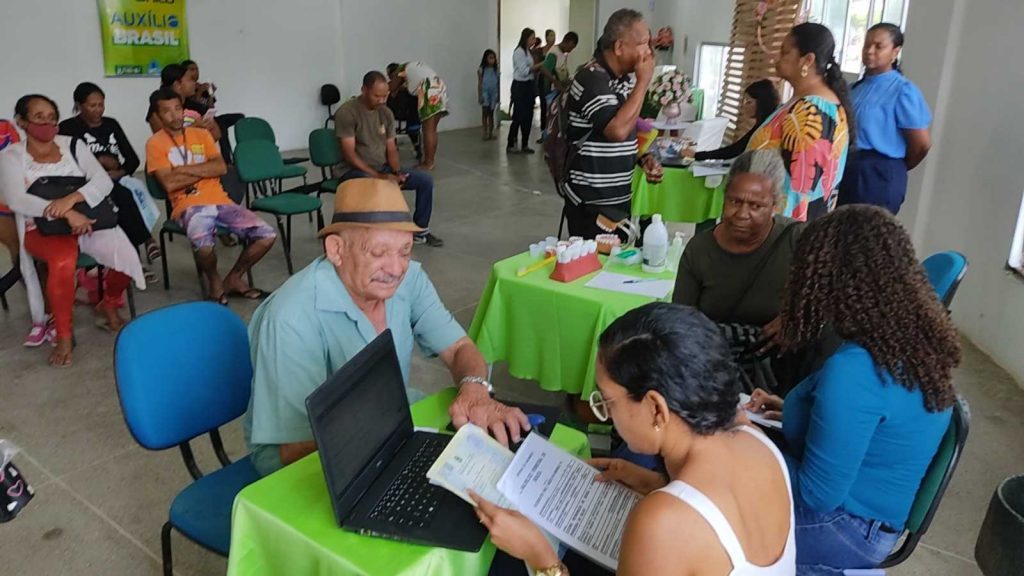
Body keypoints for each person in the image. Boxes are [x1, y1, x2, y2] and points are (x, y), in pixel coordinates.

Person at [470, 303, 795, 576]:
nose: (606, 415)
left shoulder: (662, 522)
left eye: (608, 401)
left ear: (656, 408)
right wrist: (653, 482)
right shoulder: (754, 437)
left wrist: (540, 558)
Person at [244, 178, 531, 476]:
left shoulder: (411, 279)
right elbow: (291, 448)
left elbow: (459, 347)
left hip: (386, 417)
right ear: (336, 250)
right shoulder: (292, 316)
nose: (396, 269)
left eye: (405, 252)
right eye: (379, 253)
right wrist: (400, 444)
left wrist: (475, 390)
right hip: (304, 454)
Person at [745, 205, 961, 574]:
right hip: (872, 522)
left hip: (843, 529)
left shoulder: (854, 371)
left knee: (704, 507)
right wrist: (795, 410)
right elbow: (876, 423)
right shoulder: (912, 339)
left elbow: (817, 495)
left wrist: (746, 440)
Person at [0, 94, 145, 366]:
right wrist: (65, 212)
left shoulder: (72, 145)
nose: (47, 123)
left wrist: (72, 200)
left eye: (52, 117)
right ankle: (64, 335)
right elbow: (16, 199)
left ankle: (109, 302)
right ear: (21, 121)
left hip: (87, 220)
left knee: (126, 256)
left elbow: (102, 181)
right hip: (41, 227)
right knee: (64, 262)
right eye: (38, 117)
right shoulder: (11, 156)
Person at [674, 150, 802, 391]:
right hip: (713, 370)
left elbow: (837, 296)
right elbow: (682, 321)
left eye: (756, 206)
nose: (742, 214)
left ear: (776, 205)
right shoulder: (700, 250)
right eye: (734, 201)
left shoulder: (797, 239)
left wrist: (795, 318)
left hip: (780, 374)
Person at [145, 88, 276, 304]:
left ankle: (234, 278)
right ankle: (215, 282)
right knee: (204, 247)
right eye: (167, 111)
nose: (175, 115)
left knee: (266, 235)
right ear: (157, 116)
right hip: (188, 205)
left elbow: (221, 167)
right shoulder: (155, 143)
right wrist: (204, 169)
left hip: (220, 200)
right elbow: (168, 184)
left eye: (178, 108)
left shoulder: (201, 134)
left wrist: (184, 170)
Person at [560, 9, 655, 238]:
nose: (648, 51)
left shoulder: (620, 80)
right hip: (592, 204)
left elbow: (626, 126)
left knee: (615, 270)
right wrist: (643, 82)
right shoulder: (591, 78)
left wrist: (642, 158)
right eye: (643, 43)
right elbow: (617, 131)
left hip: (616, 199)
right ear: (619, 47)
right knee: (591, 270)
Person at [747, 23, 853, 222]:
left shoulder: (812, 111)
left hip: (782, 233)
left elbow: (798, 192)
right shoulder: (802, 101)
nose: (775, 58)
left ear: (807, 60)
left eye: (784, 52)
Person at [59, 82, 162, 273]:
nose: (98, 110)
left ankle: (136, 254)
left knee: (133, 191)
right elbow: (67, 163)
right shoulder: (68, 128)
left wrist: (120, 171)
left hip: (116, 177)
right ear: (79, 105)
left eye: (101, 104)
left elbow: (132, 159)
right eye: (92, 105)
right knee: (122, 197)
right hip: (87, 182)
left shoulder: (111, 124)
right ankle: (143, 245)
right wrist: (99, 161)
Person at [333, 71, 443, 248]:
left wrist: (396, 172)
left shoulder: (385, 113)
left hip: (380, 168)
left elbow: (391, 148)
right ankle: (371, 235)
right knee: (379, 184)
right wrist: (380, 177)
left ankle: (420, 230)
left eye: (385, 96)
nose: (382, 100)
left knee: (425, 181)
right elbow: (350, 155)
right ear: (364, 90)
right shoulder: (347, 112)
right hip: (352, 171)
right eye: (377, 96)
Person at [837, 23, 931, 214]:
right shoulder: (854, 89)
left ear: (895, 52)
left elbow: (921, 145)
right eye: (867, 45)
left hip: (879, 174)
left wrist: (893, 167)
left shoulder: (902, 91)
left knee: (867, 236)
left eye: (879, 46)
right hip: (848, 169)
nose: (870, 51)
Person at [0, 118, 51, 348]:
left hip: (22, 198)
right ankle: (38, 310)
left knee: (39, 254)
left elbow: (22, 161)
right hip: (2, 208)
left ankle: (49, 310)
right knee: (20, 254)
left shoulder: (5, 128)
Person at [688, 80, 780, 162]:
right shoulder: (765, 122)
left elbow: (734, 150)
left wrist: (697, 155)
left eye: (748, 101)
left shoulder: (766, 127)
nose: (744, 105)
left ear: (762, 102)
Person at [387, 62, 448, 170]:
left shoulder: (400, 70)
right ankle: (431, 161)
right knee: (432, 130)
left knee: (428, 131)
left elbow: (391, 87)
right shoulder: (413, 67)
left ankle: (428, 163)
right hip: (439, 86)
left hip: (428, 90)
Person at [147, 63, 222, 142]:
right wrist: (195, 127)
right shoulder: (158, 107)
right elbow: (164, 139)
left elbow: (217, 134)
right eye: (190, 80)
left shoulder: (196, 107)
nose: (194, 83)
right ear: (177, 85)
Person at [508, 28, 546, 154]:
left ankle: (525, 144)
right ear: (525, 38)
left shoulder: (528, 52)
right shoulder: (518, 52)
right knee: (518, 116)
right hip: (520, 86)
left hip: (529, 86)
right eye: (531, 38)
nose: (533, 40)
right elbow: (524, 71)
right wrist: (540, 65)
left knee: (528, 117)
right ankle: (511, 144)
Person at [538, 31, 580, 140]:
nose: (571, 50)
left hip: (559, 89)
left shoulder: (563, 54)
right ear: (567, 42)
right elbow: (544, 69)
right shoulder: (554, 53)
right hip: (551, 90)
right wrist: (556, 82)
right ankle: (547, 139)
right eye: (571, 47)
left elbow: (562, 70)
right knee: (551, 116)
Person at [533, 29, 557, 143]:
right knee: (543, 106)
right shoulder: (540, 51)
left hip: (553, 81)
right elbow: (535, 66)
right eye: (551, 35)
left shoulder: (557, 51)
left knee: (552, 107)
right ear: (546, 37)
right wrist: (546, 63)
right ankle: (543, 132)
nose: (553, 38)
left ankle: (552, 132)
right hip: (543, 80)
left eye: (554, 35)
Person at [478, 50, 500, 141]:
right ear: (485, 59)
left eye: (493, 58)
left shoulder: (496, 69)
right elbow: (479, 83)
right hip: (485, 92)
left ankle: (491, 132)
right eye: (490, 58)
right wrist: (480, 95)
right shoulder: (481, 69)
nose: (492, 60)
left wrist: (498, 94)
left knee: (491, 113)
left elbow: (498, 83)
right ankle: (484, 132)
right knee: (485, 112)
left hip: (493, 92)